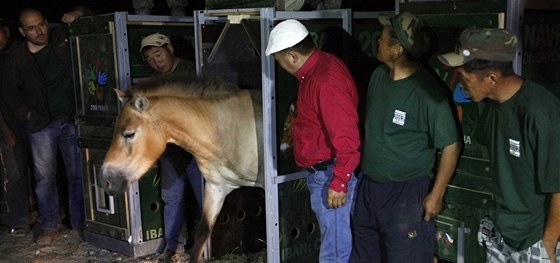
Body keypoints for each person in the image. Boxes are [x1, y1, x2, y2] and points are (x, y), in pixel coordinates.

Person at [438, 28, 560, 262]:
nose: (461, 84)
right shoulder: (489, 105)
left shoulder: (541, 112)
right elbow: (454, 102)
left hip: (533, 239)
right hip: (500, 233)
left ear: (492, 78)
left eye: (464, 78)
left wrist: (548, 247)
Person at [350, 12, 461, 263]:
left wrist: (437, 195)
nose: (378, 41)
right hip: (369, 188)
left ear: (397, 48)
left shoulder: (429, 93)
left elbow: (451, 146)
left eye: (384, 38)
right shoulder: (378, 77)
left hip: (407, 193)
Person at [265, 19, 361, 262]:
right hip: (326, 171)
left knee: (335, 249)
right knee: (334, 241)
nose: (279, 64)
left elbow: (346, 136)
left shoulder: (324, 81)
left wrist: (340, 182)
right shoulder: (320, 68)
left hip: (329, 173)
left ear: (293, 56)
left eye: (279, 59)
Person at [0, 8, 90, 245]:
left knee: (77, 174)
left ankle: (79, 223)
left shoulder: (61, 38)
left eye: (41, 25)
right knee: (45, 178)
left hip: (70, 118)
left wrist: (79, 11)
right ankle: (50, 225)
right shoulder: (16, 57)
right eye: (31, 28)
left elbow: (94, 21)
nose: (39, 31)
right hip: (41, 124)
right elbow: (8, 93)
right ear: (22, 31)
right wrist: (26, 114)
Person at [140, 32, 203, 262]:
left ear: (170, 48)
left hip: (196, 149)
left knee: (204, 197)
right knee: (171, 197)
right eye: (150, 59)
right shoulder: (153, 83)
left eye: (158, 54)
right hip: (170, 150)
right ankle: (173, 246)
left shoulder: (192, 71)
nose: (156, 61)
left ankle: (207, 245)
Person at [0, 20, 32, 237]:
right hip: (8, 126)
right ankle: (19, 221)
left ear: (7, 32)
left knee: (41, 171)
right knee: (14, 174)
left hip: (31, 121)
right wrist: (5, 131)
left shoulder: (19, 52)